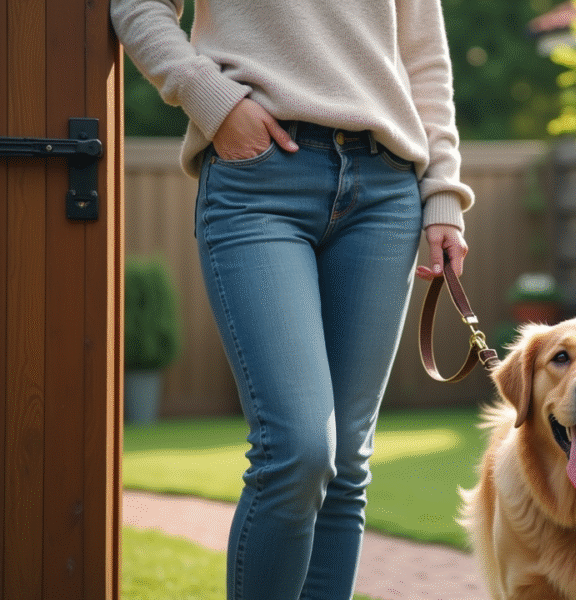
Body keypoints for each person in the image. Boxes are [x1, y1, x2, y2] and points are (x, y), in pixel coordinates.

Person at [110, 1, 474, 598]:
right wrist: (213, 99)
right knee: (300, 448)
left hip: (386, 190)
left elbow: (426, 61)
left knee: (348, 465)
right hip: (259, 181)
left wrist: (443, 196)